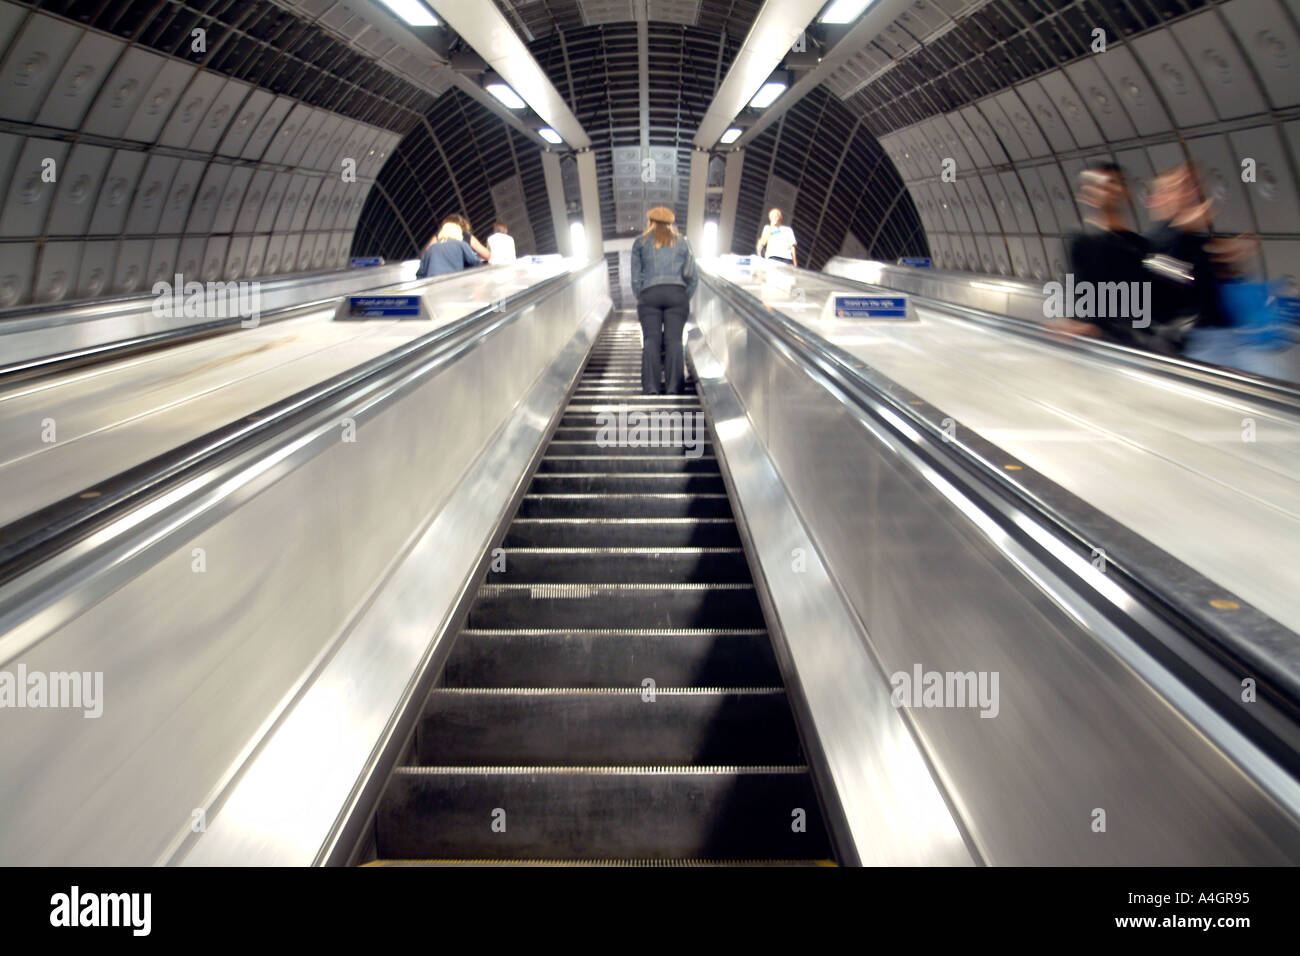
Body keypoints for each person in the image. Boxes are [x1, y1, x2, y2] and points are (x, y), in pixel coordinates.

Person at [1060, 163, 1176, 352]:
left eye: (1118, 182)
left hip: (1138, 339)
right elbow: (1079, 288)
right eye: (1105, 184)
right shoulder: (1081, 239)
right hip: (1101, 341)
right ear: (1087, 195)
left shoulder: (1140, 244)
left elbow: (1156, 290)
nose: (1114, 189)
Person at [631, 206, 697, 395]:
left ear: (650, 222)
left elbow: (635, 277)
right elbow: (693, 276)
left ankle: (651, 388)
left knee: (651, 340)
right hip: (677, 294)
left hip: (649, 294)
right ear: (670, 223)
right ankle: (673, 388)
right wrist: (684, 295)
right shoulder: (683, 243)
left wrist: (641, 295)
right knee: (674, 340)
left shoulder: (640, 243)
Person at [416, 217, 482, 278]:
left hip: (433, 286)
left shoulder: (430, 249)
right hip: (453, 283)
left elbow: (420, 273)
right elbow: (475, 262)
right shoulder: (461, 245)